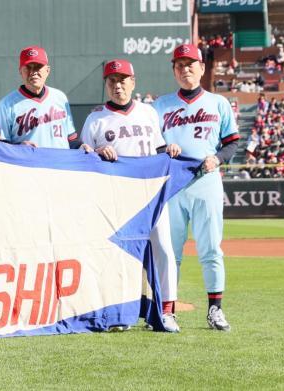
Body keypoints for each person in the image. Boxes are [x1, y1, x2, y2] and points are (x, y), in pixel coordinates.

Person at [80, 59, 180, 332]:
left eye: (123, 79)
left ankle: (167, 310)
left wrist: (168, 148)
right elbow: (82, 156)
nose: (118, 85)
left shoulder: (148, 113)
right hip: (116, 196)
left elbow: (159, 148)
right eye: (112, 80)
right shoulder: (95, 119)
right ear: (106, 85)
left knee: (163, 249)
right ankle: (120, 313)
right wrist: (97, 152)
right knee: (120, 254)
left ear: (133, 82)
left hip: (152, 192)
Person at [153, 44, 240, 331]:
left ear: (202, 68)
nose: (185, 68)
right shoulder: (160, 105)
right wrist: (165, 146)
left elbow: (232, 143)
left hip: (206, 182)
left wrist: (218, 158)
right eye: (179, 65)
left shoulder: (218, 103)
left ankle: (215, 309)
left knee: (211, 250)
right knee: (169, 252)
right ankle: (167, 311)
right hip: (173, 185)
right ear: (174, 70)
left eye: (191, 64)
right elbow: (151, 143)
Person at [0, 46, 85, 150]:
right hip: (27, 165)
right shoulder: (6, 104)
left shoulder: (60, 97)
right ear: (20, 71)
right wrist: (19, 147)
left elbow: (71, 139)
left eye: (38, 66)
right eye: (28, 67)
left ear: (47, 70)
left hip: (59, 164)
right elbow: (0, 147)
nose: (33, 72)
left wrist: (80, 146)